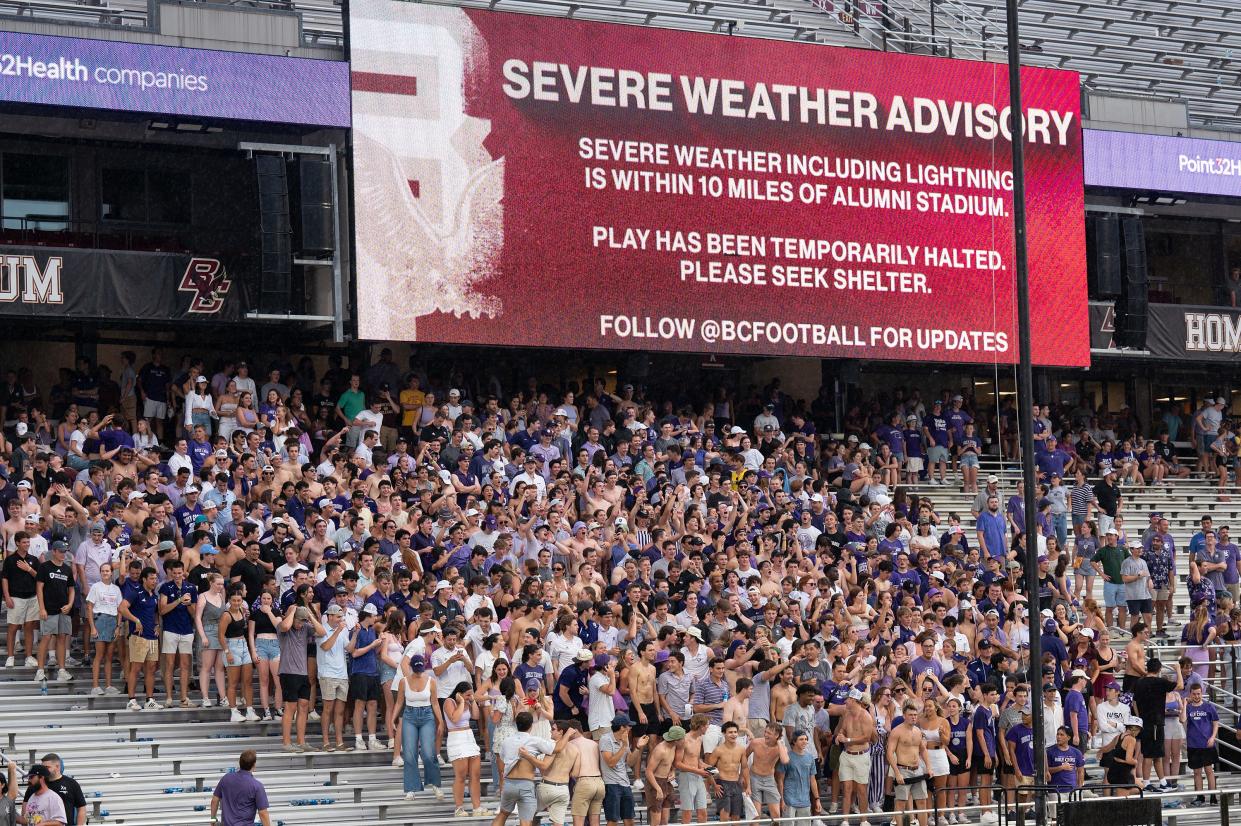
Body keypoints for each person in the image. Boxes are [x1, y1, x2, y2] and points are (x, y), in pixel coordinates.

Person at [444, 680, 490, 817]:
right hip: (456, 738)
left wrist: (473, 701)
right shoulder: (449, 702)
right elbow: (455, 719)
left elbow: (475, 716)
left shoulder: (469, 702)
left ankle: (477, 807)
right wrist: (462, 702)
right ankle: (459, 808)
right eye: (467, 694)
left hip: (469, 737)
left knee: (475, 775)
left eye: (471, 694)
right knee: (461, 775)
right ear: (459, 693)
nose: (469, 697)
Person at [888, 702, 930, 826]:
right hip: (902, 769)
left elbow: (923, 750)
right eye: (910, 715)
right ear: (904, 715)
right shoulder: (896, 731)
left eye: (915, 715)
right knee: (900, 803)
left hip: (917, 770)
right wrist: (897, 773)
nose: (913, 717)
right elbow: (889, 753)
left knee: (922, 801)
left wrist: (928, 767)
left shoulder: (917, 731)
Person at [600, 715, 644, 826]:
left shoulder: (624, 741)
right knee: (613, 820)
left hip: (625, 784)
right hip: (611, 785)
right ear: (622, 727)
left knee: (629, 820)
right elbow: (610, 763)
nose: (630, 728)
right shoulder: (606, 739)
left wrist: (638, 747)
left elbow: (630, 762)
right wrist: (624, 745)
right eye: (629, 726)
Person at [210, 750, 271, 826]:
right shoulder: (257, 786)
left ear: (239, 762)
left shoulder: (226, 778)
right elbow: (263, 813)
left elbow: (214, 801)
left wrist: (212, 820)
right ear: (254, 765)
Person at [23, 755, 84, 826]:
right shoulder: (35, 785)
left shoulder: (71, 783)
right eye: (43, 767)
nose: (44, 770)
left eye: (47, 767)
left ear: (57, 767)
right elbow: (25, 809)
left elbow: (81, 807)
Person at [1185, 683, 1219, 806]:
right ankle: (1200, 797)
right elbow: (1182, 719)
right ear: (1190, 694)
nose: (1196, 696)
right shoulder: (1188, 708)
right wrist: (1184, 703)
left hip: (1207, 744)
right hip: (1193, 744)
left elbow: (1215, 723)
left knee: (1209, 770)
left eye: (1198, 693)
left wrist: (1213, 737)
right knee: (1197, 772)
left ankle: (1213, 796)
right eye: (1194, 694)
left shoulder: (1209, 707)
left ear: (1202, 693)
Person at [783, 730, 820, 822]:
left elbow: (813, 780)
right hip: (789, 800)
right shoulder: (787, 757)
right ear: (794, 742)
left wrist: (817, 799)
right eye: (801, 739)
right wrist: (781, 800)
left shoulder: (810, 757)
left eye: (806, 739)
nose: (805, 741)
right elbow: (780, 779)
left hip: (805, 801)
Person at [1046, 727, 1085, 792]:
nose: (1058, 737)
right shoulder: (1050, 751)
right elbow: (1046, 771)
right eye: (1057, 734)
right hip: (1055, 791)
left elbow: (1081, 771)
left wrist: (1079, 788)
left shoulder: (1076, 752)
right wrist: (1061, 767)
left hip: (1072, 790)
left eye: (1061, 735)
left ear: (1068, 738)